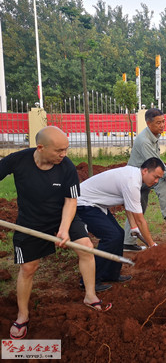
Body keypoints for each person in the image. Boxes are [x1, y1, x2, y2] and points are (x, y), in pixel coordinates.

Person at [0, 127, 111, 340]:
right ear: (41, 148)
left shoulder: (66, 167)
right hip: (31, 221)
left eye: (66, 149)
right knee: (29, 268)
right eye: (59, 150)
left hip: (62, 215)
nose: (64, 154)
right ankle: (23, 314)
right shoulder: (18, 160)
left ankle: (90, 295)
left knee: (86, 248)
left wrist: (64, 228)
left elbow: (71, 201)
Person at [77, 157, 165, 284]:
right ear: (145, 171)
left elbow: (127, 204)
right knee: (111, 237)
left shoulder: (133, 175)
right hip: (83, 203)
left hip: (96, 204)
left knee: (119, 235)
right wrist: (152, 245)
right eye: (155, 177)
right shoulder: (132, 182)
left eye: (159, 179)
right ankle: (90, 280)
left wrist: (133, 227)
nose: (156, 181)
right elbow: (140, 220)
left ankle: (111, 274)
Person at [123, 108, 166, 252]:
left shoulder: (153, 136)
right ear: (148, 123)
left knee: (138, 208)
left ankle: (127, 242)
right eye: (158, 123)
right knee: (162, 180)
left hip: (144, 177)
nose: (162, 125)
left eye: (163, 121)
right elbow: (158, 165)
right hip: (135, 179)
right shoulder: (144, 141)